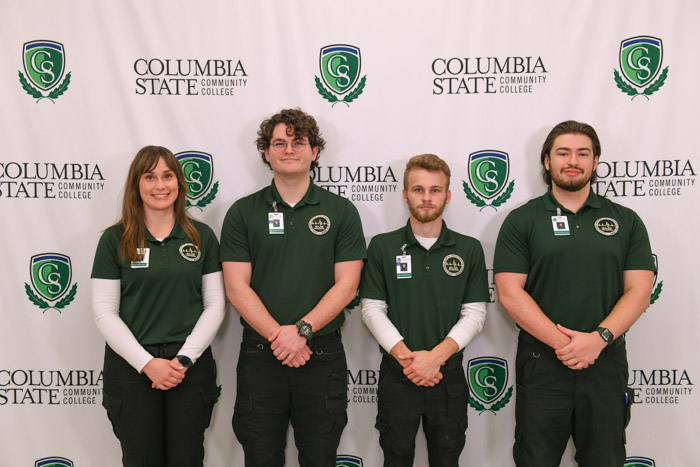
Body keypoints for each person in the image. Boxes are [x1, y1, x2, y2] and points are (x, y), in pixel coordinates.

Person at [493, 121, 656, 467]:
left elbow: (640, 291)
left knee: (605, 460)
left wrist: (597, 340)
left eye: (583, 153)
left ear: (596, 162)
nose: (573, 161)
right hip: (542, 365)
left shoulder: (626, 221)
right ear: (547, 161)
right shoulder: (522, 220)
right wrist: (565, 345)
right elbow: (509, 292)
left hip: (605, 363)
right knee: (535, 460)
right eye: (563, 153)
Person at [220, 108, 366, 467]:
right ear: (266, 153)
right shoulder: (242, 213)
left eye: (298, 142)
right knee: (260, 457)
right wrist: (279, 336)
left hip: (321, 355)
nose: (289, 149)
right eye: (279, 143)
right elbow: (237, 288)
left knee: (319, 458)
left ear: (314, 151)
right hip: (260, 356)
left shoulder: (341, 211)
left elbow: (347, 286)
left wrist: (301, 331)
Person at [91, 146, 225, 466]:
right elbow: (104, 312)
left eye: (167, 176)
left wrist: (183, 359)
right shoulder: (114, 240)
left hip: (188, 369)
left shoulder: (202, 236)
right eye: (149, 177)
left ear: (180, 183)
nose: (160, 185)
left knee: (187, 459)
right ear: (136, 185)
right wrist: (148, 363)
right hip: (132, 370)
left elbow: (216, 305)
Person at [360, 154, 489, 466]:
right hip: (398, 372)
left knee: (447, 460)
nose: (427, 198)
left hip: (448, 375)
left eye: (435, 190)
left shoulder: (469, 248)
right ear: (405, 195)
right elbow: (372, 309)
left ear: (448, 195)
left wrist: (434, 359)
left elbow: (475, 314)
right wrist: (409, 360)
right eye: (418, 190)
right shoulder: (382, 246)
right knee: (396, 458)